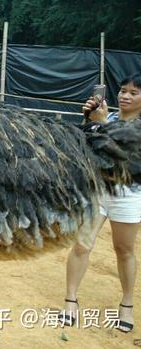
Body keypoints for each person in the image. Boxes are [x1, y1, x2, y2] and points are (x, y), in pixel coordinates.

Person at [61, 76, 141, 333]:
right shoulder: (110, 117)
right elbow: (87, 146)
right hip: (98, 191)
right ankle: (70, 300)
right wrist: (88, 120)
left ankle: (127, 304)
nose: (125, 96)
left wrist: (103, 123)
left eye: (134, 93)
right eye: (123, 90)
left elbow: (127, 158)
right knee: (82, 245)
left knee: (124, 250)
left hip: (128, 195)